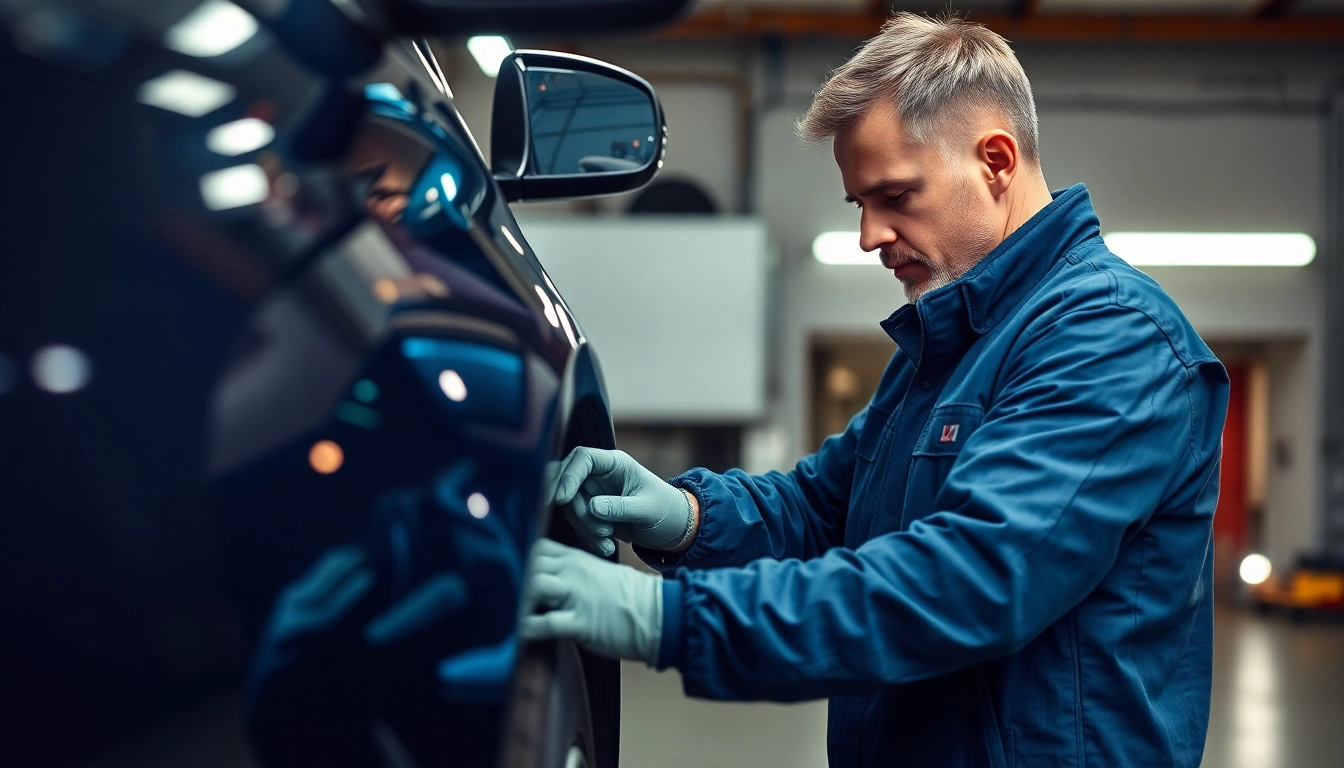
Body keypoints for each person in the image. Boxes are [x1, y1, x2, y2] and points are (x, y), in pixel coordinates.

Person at [521, 13, 1229, 767]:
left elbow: (971, 580)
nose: (869, 236)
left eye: (894, 195)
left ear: (995, 160)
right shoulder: (950, 342)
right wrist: (684, 517)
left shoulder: (1110, 340)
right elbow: (827, 506)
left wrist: (664, 618)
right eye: (859, 204)